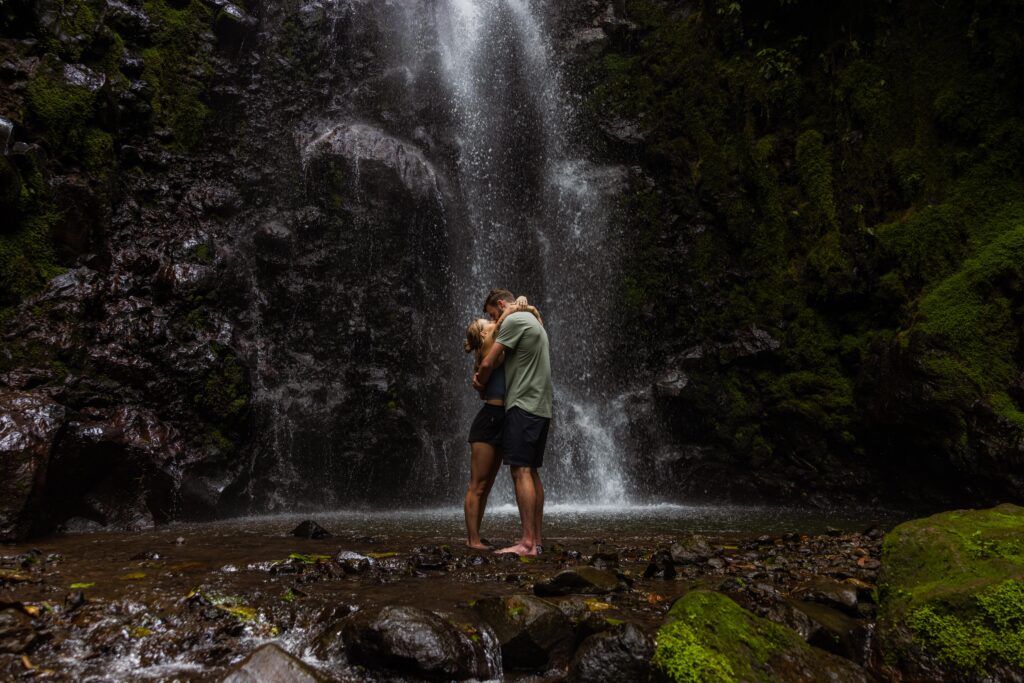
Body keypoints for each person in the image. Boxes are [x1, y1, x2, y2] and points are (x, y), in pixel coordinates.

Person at [473, 288, 552, 556]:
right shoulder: (532, 320)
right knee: (531, 470)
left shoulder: (514, 321)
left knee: (520, 471)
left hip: (523, 403)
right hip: (541, 405)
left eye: (493, 315)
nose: (495, 321)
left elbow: (488, 363)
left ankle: (527, 542)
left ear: (501, 304)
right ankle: (537, 541)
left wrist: (479, 382)